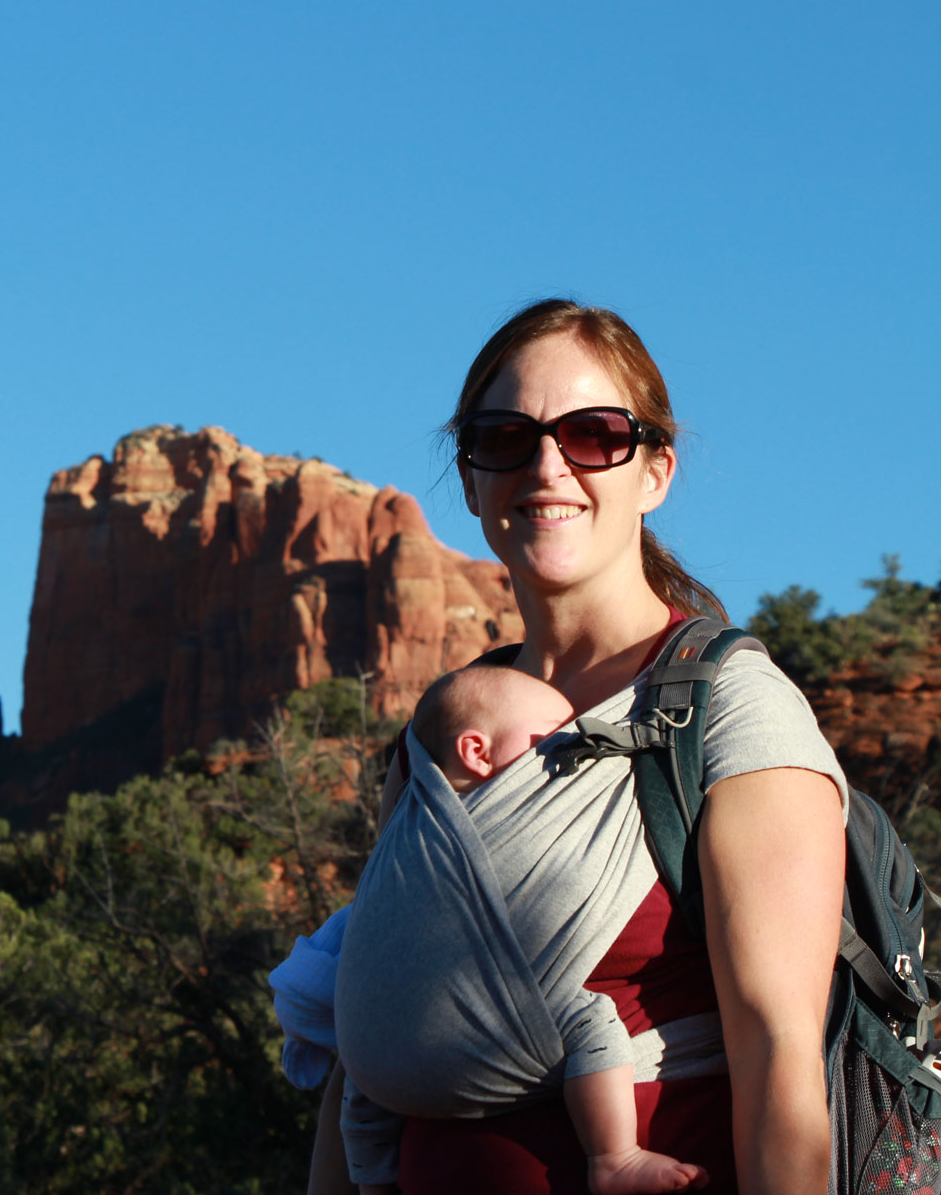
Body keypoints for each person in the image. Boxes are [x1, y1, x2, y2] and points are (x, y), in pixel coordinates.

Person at [308, 299, 847, 1195]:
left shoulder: (729, 708)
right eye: (504, 437)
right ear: (473, 478)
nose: (548, 465)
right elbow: (363, 1037)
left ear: (656, 471)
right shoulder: (444, 735)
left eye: (595, 434)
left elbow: (779, 1058)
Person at [277, 666, 708, 1195]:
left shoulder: (413, 832)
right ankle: (614, 1157)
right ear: (477, 752)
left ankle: (374, 1185)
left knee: (366, 1088)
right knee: (591, 1017)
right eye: (552, 739)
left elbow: (362, 923)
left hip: (389, 1064)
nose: (572, 749)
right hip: (485, 1035)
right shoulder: (489, 829)